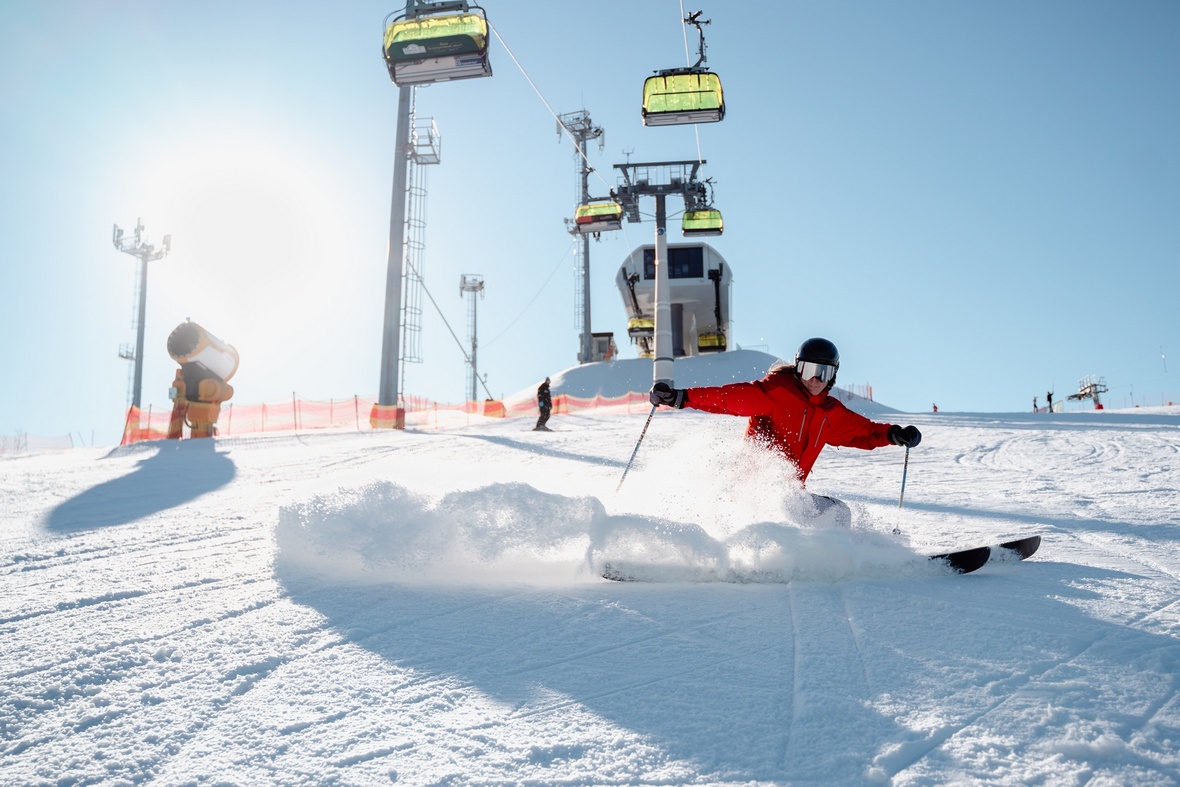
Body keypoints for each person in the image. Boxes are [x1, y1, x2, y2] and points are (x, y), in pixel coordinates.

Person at [649, 338, 921, 524]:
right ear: (798, 368)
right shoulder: (778, 392)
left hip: (791, 496)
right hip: (755, 491)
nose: (815, 379)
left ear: (834, 375)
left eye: (824, 373)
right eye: (809, 370)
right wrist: (682, 397)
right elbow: (728, 398)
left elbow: (865, 432)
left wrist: (894, 434)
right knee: (808, 512)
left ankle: (830, 561)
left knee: (837, 514)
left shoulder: (831, 413)